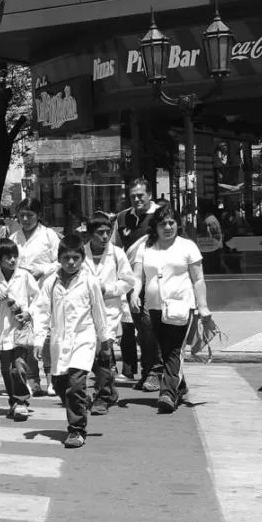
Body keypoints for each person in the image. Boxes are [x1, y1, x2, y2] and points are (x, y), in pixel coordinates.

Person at [130, 203, 217, 414]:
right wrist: (134, 293)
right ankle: (180, 385)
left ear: (178, 224)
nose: (168, 227)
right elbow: (138, 275)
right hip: (154, 307)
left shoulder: (187, 247)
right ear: (155, 227)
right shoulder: (146, 247)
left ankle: (167, 393)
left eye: (171, 223)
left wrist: (203, 307)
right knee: (166, 349)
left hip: (181, 306)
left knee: (174, 348)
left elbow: (198, 280)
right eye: (163, 224)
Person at [32, 234, 113, 449]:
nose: (71, 263)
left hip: (83, 339)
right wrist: (38, 341)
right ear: (59, 258)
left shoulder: (90, 281)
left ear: (82, 259)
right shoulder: (50, 282)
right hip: (59, 340)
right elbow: (41, 312)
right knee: (60, 385)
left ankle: (77, 430)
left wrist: (104, 340)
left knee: (76, 382)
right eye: (66, 258)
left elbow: (99, 311)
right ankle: (80, 402)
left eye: (75, 258)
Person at [0, 238, 39, 421]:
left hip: (20, 326)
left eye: (15, 257)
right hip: (2, 328)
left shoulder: (24, 275)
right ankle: (13, 401)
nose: (12, 261)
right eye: (8, 257)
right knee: (6, 368)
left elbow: (38, 297)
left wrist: (28, 313)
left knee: (19, 366)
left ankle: (22, 402)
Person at [84, 214, 136, 416]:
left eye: (108, 232)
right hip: (85, 312)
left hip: (109, 310)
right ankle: (110, 390)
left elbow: (128, 281)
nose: (105, 237)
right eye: (100, 233)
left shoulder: (117, 254)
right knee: (91, 353)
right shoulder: (80, 253)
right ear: (90, 234)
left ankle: (102, 397)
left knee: (104, 351)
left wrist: (108, 289)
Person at [114, 178, 162, 389]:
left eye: (140, 195)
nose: (136, 199)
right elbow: (115, 249)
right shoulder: (123, 218)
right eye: (133, 196)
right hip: (132, 283)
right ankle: (147, 370)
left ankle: (156, 371)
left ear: (149, 194)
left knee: (152, 326)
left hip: (156, 280)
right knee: (141, 329)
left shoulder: (161, 216)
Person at [11, 198, 61, 396]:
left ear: (39, 215)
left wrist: (42, 270)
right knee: (27, 337)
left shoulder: (49, 236)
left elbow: (61, 261)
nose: (25, 219)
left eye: (30, 215)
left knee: (47, 335)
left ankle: (52, 378)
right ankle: (32, 379)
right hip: (23, 294)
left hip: (45, 291)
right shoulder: (14, 237)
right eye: (21, 215)